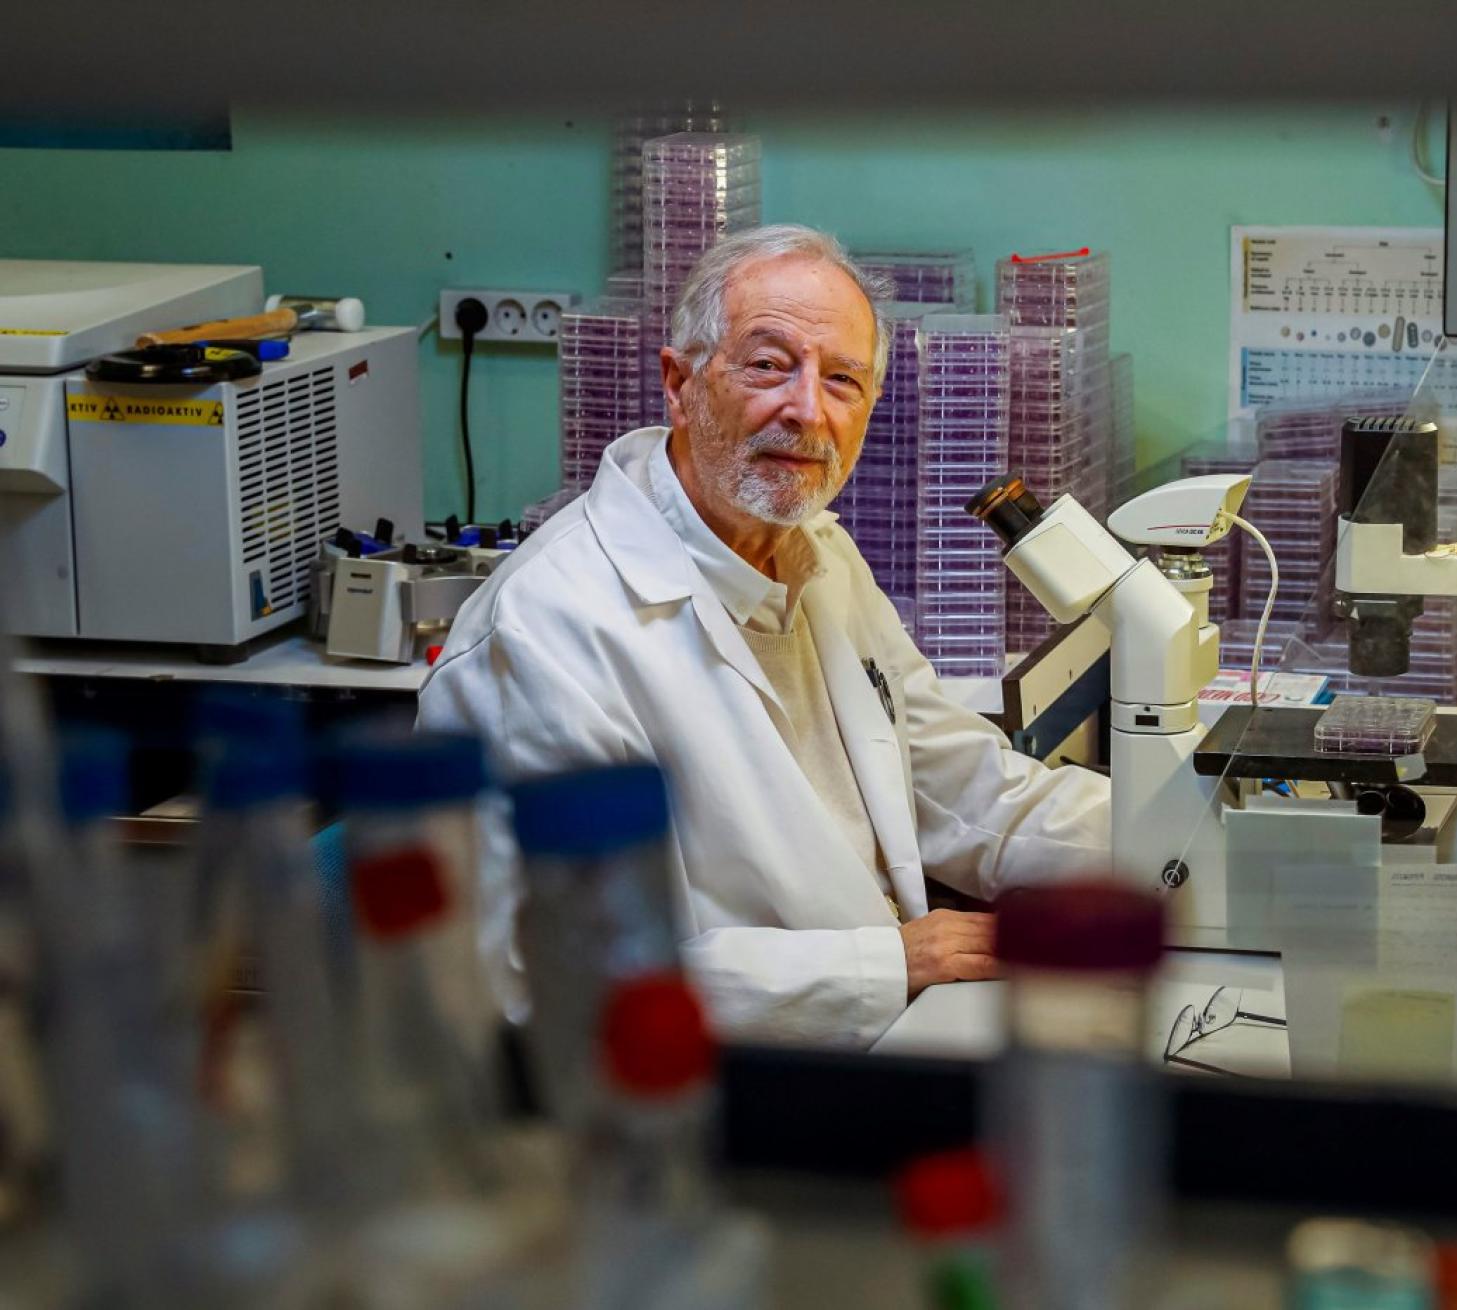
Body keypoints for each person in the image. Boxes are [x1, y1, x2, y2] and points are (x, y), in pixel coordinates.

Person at [420, 225, 1110, 1048]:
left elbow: (953, 786)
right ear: (679, 385)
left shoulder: (817, 550)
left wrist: (1176, 841)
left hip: (880, 1036)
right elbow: (549, 981)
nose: (807, 409)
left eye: (844, 380)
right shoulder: (546, 633)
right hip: (700, 1098)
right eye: (769, 364)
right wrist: (887, 965)